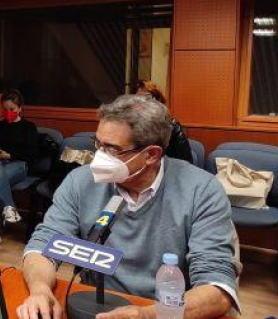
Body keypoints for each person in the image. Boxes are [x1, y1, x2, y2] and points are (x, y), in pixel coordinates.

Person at [18, 95, 239, 319]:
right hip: (93, 306)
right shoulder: (80, 181)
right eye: (98, 144)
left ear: (151, 155)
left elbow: (218, 288)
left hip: (163, 311)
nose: (99, 157)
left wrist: (147, 315)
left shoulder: (201, 190)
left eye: (112, 150)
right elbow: (43, 245)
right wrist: (40, 290)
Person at [0, 89, 38, 247]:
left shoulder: (29, 127)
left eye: (12, 109)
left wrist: (9, 155)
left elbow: (32, 153)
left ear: (20, 108)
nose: (8, 113)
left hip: (18, 165)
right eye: (5, 109)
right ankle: (8, 207)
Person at [135, 80, 193, 164]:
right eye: (138, 99)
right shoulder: (130, 125)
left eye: (147, 97)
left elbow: (185, 161)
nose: (143, 102)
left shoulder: (172, 125)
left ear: (158, 100)